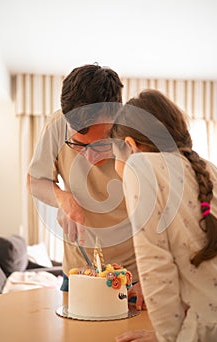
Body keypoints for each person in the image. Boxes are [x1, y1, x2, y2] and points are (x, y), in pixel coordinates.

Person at [111, 89, 217, 342]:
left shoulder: (140, 167)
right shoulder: (209, 168)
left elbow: (155, 262)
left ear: (130, 145)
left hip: (207, 333)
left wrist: (166, 338)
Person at [28, 64, 145, 309]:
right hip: (78, 275)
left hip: (136, 279)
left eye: (101, 145)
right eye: (78, 145)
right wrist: (63, 198)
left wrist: (152, 276)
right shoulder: (57, 125)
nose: (88, 159)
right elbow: (35, 181)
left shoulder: (140, 134)